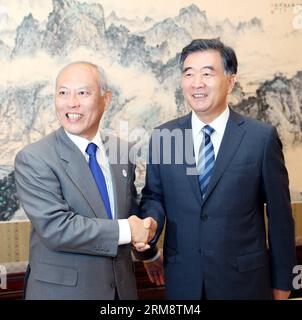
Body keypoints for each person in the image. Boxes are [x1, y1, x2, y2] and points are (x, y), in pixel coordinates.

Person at [136, 39, 297, 300]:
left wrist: (282, 282)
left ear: (231, 81)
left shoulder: (260, 138)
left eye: (207, 74)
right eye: (189, 74)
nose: (196, 83)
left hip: (245, 284)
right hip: (183, 282)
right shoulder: (165, 136)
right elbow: (155, 196)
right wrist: (151, 223)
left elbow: (280, 217)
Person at [14, 61, 157, 300]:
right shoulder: (34, 158)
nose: (71, 102)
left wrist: (146, 239)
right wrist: (129, 231)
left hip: (121, 293)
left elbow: (130, 214)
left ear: (106, 99)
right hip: (62, 294)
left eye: (82, 92)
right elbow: (57, 228)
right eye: (63, 93)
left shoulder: (123, 151)